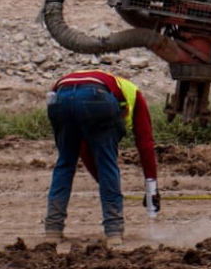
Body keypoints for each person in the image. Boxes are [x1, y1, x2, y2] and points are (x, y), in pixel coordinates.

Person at [42, 70, 160, 247]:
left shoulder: (109, 83)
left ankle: (53, 230)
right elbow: (145, 144)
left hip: (59, 97)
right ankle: (113, 232)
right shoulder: (134, 94)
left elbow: (83, 149)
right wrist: (152, 188)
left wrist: (105, 183)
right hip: (95, 97)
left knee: (65, 163)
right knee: (107, 164)